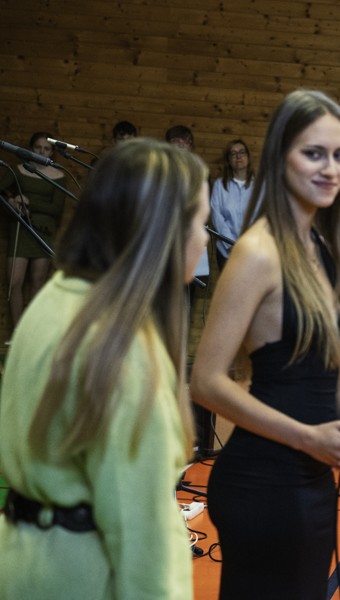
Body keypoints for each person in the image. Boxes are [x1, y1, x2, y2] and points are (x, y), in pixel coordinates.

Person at [0, 138, 208, 599]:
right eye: (200, 223)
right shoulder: (124, 347)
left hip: (23, 561)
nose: (205, 239)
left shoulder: (54, 299)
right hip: (89, 577)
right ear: (162, 230)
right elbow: (143, 536)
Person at [190, 90, 340, 599]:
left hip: (312, 479)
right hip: (263, 481)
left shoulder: (324, 248)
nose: (331, 169)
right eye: (314, 153)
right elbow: (205, 382)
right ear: (279, 157)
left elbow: (337, 368)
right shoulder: (257, 251)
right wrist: (306, 437)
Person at [0, 131, 69, 327]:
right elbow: (1, 192)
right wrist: (12, 202)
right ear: (31, 149)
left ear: (52, 152)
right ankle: (17, 331)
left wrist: (28, 202)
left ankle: (32, 330)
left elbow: (56, 208)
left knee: (37, 282)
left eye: (46, 149)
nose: (42, 152)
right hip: (20, 227)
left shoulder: (59, 176)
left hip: (44, 231)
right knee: (15, 281)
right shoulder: (17, 170)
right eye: (38, 147)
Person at [209, 139, 255, 270]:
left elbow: (261, 217)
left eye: (242, 152)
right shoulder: (219, 185)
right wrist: (231, 243)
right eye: (233, 154)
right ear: (228, 160)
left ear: (248, 157)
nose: (238, 156)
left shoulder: (259, 186)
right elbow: (216, 216)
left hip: (253, 250)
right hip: (226, 252)